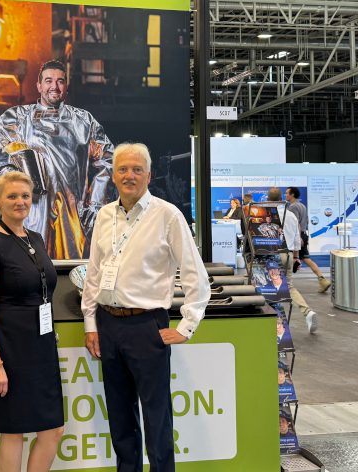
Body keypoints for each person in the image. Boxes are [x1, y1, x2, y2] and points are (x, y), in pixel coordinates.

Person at [81, 143, 210, 472]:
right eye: (123, 169)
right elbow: (94, 273)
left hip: (146, 326)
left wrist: (187, 326)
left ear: (149, 176)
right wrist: (91, 324)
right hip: (109, 325)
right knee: (120, 415)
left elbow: (195, 274)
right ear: (113, 176)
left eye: (137, 170)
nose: (129, 175)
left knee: (157, 416)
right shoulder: (104, 215)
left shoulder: (167, 215)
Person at [0, 171, 64, 472]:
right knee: (13, 432)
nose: (20, 201)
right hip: (9, 350)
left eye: (25, 195)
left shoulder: (35, 238)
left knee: (53, 430)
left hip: (40, 349)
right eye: (12, 196)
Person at [0, 59, 115, 259]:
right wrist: (7, 173)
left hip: (74, 216)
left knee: (72, 269)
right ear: (39, 86)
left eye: (60, 81)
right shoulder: (19, 118)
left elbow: (108, 160)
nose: (54, 86)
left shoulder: (84, 121)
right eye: (48, 81)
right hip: (32, 212)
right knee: (31, 265)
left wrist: (95, 205)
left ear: (66, 86)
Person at [268, 187, 318, 334]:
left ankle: (275, 324)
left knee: (268, 288)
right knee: (289, 287)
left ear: (268, 199)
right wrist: (296, 257)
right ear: (281, 198)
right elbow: (297, 240)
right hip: (289, 254)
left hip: (273, 255)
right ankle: (307, 312)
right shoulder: (291, 215)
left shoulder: (268, 215)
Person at [285, 187, 331, 293]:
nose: (285, 195)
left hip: (298, 236)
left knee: (290, 258)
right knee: (306, 259)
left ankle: (285, 285)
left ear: (292, 194)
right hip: (303, 235)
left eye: (287, 193)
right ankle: (322, 279)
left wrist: (297, 238)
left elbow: (295, 223)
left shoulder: (292, 207)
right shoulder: (302, 206)